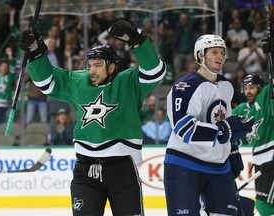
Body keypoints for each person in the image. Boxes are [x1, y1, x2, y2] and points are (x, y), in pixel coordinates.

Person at [19, 19, 166, 216]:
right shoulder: (81, 82)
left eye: (98, 65)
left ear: (112, 67)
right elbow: (49, 83)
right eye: (90, 65)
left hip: (122, 169)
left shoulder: (127, 82)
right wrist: (36, 53)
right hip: (85, 169)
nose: (92, 71)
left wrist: (137, 40)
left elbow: (154, 71)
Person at [163, 34, 254, 216]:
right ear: (200, 56)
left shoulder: (227, 86)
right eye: (214, 52)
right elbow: (183, 128)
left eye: (222, 52)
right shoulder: (185, 86)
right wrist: (222, 132)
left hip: (219, 166)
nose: (220, 57)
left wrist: (232, 150)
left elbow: (226, 121)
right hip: (184, 164)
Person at [232, 74, 274, 215]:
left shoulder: (266, 99)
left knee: (264, 205)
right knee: (263, 206)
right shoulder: (241, 110)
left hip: (271, 158)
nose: (248, 91)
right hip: (259, 162)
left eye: (252, 88)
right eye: (246, 88)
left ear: (260, 88)